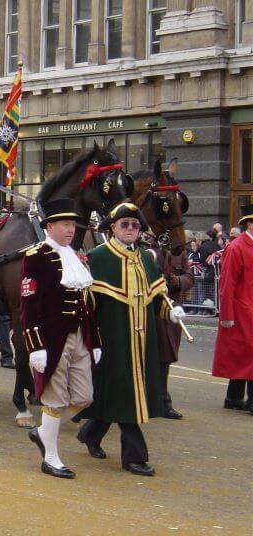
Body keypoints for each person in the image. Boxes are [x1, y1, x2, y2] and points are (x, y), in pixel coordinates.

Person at [77, 202, 186, 476]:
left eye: (135, 225)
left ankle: (91, 434)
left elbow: (157, 298)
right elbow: (86, 305)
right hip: (112, 340)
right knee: (124, 395)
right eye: (124, 224)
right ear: (113, 227)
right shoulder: (98, 257)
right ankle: (134, 457)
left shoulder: (146, 258)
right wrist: (89, 340)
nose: (130, 229)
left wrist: (170, 311)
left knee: (118, 395)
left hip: (142, 342)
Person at [21, 200, 102, 479]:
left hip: (80, 336)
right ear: (50, 226)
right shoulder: (36, 256)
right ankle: (51, 458)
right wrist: (36, 346)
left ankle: (43, 432)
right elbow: (29, 305)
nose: (71, 230)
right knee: (55, 401)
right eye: (65, 224)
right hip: (52, 339)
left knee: (84, 397)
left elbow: (86, 303)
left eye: (73, 224)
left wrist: (97, 341)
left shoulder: (74, 256)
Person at [142, 234, 194, 420]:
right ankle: (149, 400)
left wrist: (177, 282)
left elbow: (189, 276)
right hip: (152, 309)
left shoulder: (179, 251)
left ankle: (163, 401)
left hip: (172, 310)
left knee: (166, 358)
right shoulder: (144, 246)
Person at [212, 203, 253, 414]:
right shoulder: (236, 247)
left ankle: (234, 397)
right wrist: (226, 314)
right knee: (246, 355)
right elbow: (227, 284)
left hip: (249, 308)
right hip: (242, 309)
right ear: (249, 224)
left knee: (243, 355)